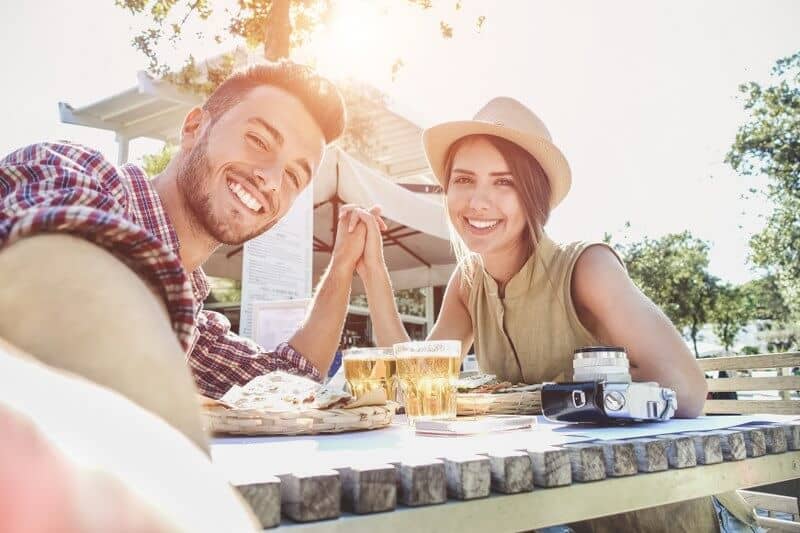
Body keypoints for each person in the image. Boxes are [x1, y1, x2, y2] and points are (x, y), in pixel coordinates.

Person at [344, 97, 760, 532]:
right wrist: (374, 271)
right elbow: (416, 386)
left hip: (666, 517)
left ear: (533, 195)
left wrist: (565, 399)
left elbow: (688, 391)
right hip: (559, 518)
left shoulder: (586, 269)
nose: (478, 201)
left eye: (503, 182)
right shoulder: (467, 285)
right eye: (464, 179)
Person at [0, 61, 371, 451]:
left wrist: (342, 267)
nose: (272, 180)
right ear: (194, 128)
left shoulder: (190, 319)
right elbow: (66, 295)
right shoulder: (73, 172)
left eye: (295, 176)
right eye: (259, 141)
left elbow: (290, 377)